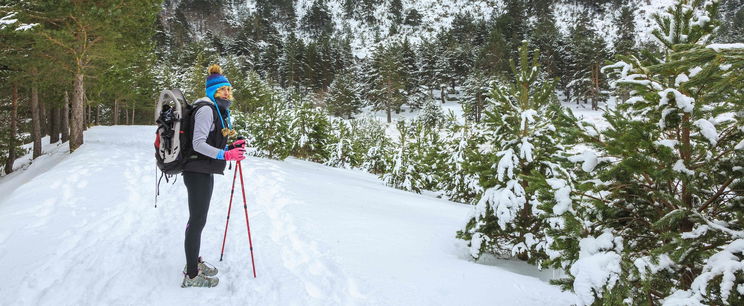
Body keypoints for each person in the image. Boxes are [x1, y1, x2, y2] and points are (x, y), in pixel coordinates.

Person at [181, 64, 246, 288]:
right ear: (212, 91)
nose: (227, 93)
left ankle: (193, 262)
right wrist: (226, 154)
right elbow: (198, 144)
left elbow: (209, 140)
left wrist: (230, 145)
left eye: (229, 89)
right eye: (222, 90)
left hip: (203, 170)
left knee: (199, 220)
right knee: (197, 221)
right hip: (196, 171)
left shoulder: (216, 109)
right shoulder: (207, 109)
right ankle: (191, 275)